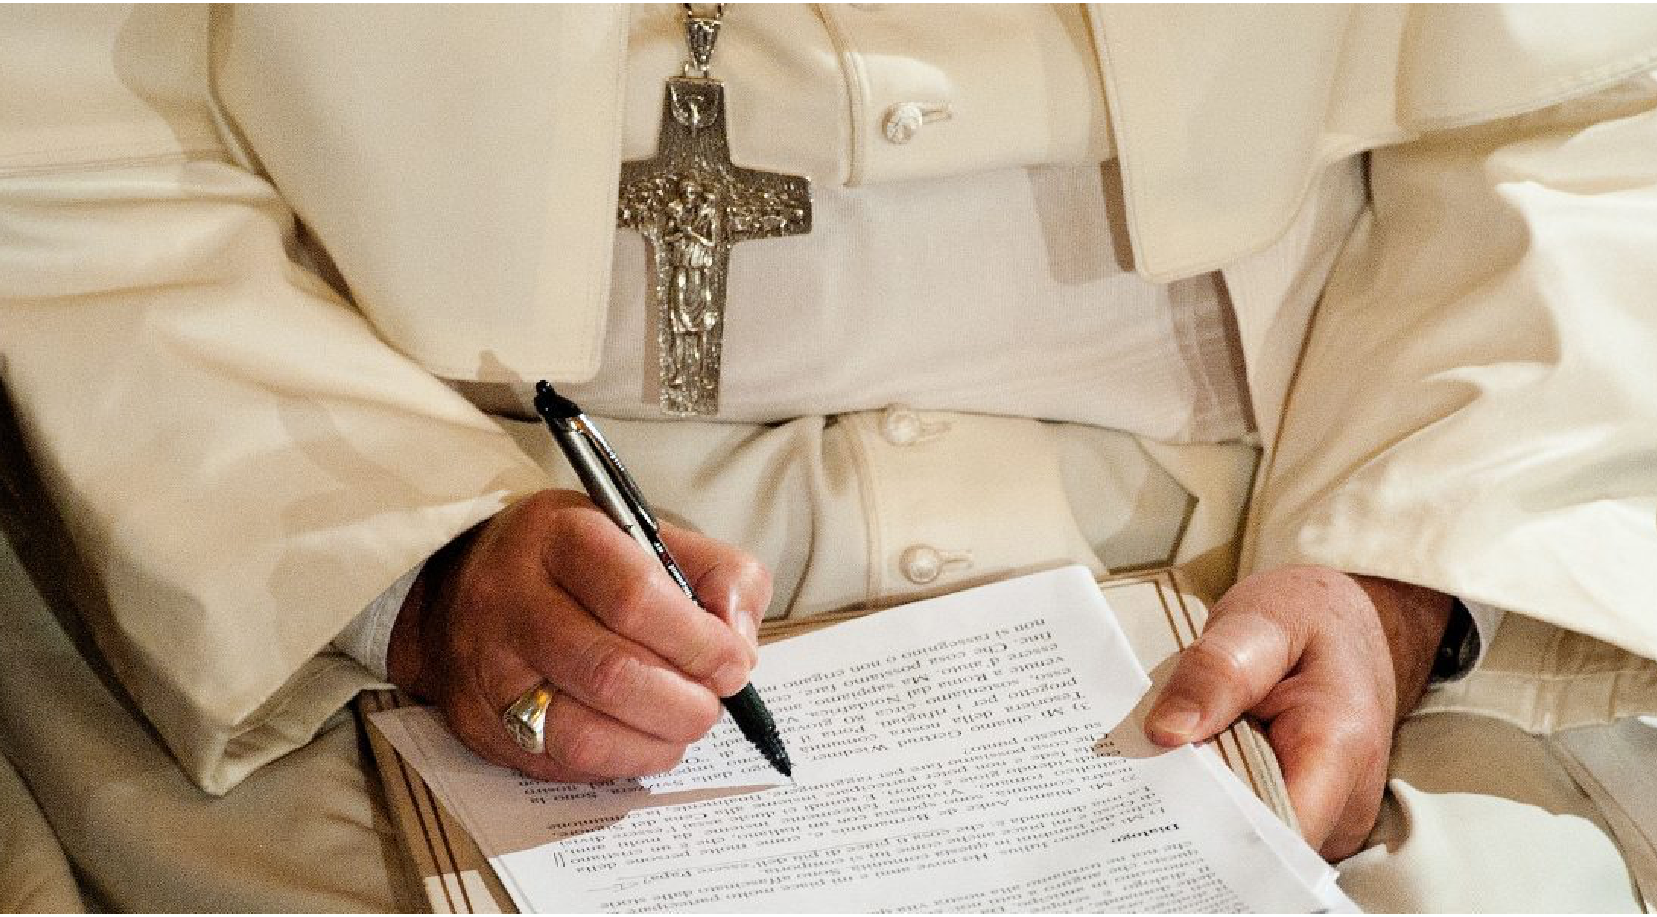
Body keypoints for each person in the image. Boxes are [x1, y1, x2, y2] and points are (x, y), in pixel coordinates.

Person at [2, 4, 1656, 911]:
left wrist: (1390, 584)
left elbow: (1586, 106)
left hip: (1275, 547)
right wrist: (413, 567)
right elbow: (64, 132)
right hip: (410, 580)